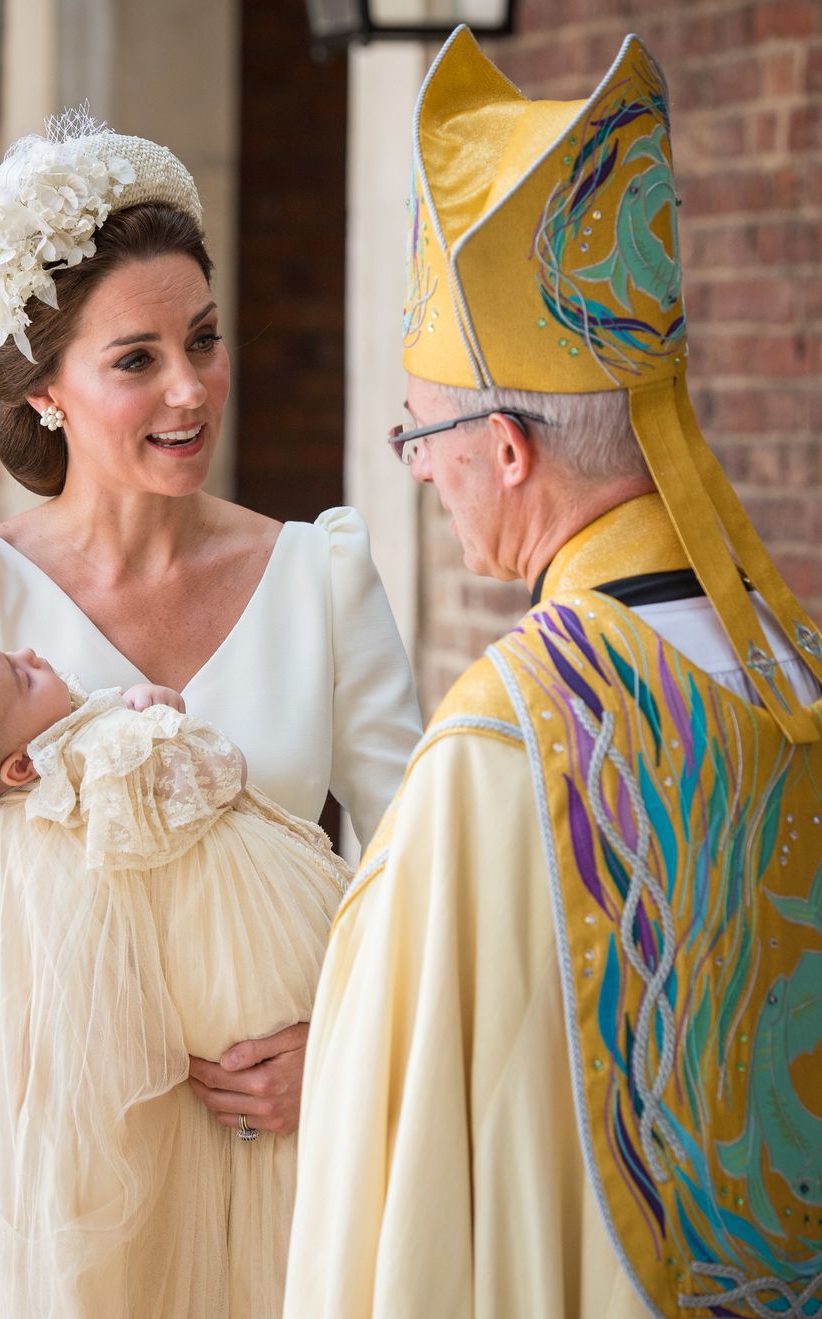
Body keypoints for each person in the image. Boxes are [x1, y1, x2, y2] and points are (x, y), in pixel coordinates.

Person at [285, 27, 822, 1319]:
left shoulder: (503, 747)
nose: (417, 465)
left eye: (420, 429)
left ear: (507, 448)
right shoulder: (792, 676)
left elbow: (394, 1190)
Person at [0, 112, 422, 1318]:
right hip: (53, 1172)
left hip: (277, 1154)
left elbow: (413, 861)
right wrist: (139, 801)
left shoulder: (320, 572)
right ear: (47, 390)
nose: (191, 387)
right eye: (137, 358)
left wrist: (344, 1040)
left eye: (204, 339)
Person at [0, 639, 351, 1316]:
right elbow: (217, 773)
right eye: (20, 672)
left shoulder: (65, 774)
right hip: (246, 972)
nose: (33, 652)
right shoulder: (101, 759)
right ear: (17, 765)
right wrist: (162, 718)